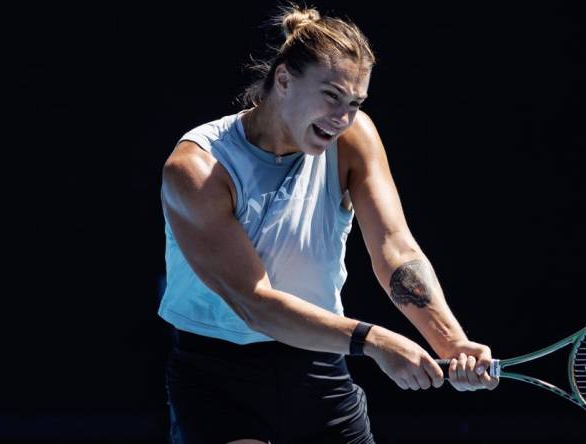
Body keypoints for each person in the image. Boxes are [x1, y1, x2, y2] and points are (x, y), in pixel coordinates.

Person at [159, 4, 498, 443]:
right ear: (283, 80)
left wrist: (452, 343)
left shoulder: (353, 139)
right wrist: (374, 340)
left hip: (318, 368)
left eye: (355, 103)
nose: (342, 118)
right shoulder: (199, 169)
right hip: (217, 378)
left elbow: (396, 250)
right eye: (332, 96)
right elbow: (256, 304)